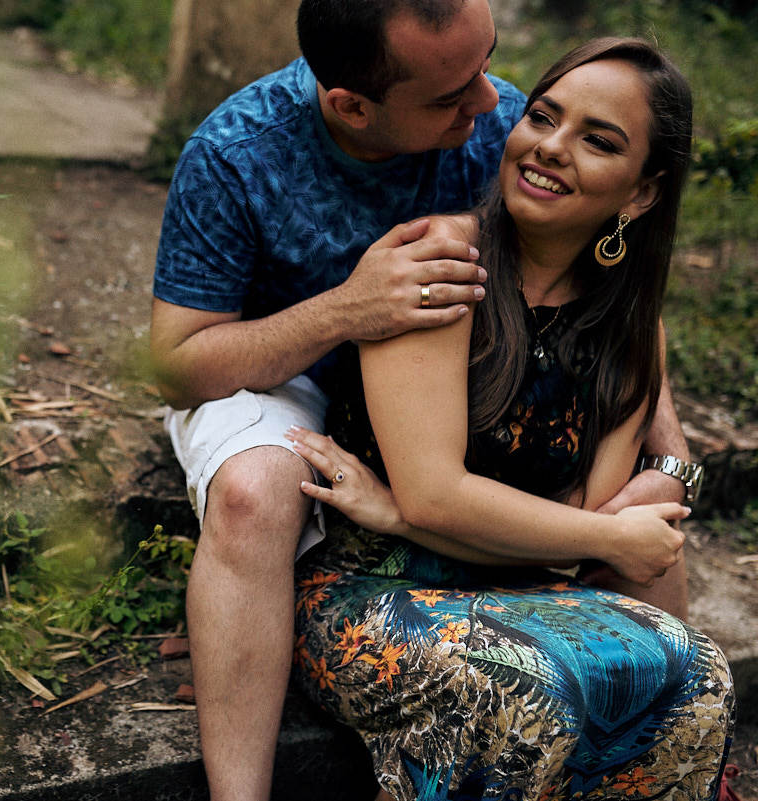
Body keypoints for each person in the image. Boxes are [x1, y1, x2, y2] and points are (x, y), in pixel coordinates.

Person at [150, 1, 701, 798]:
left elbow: (617, 297)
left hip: (455, 372)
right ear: (351, 105)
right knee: (254, 491)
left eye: (488, 65)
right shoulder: (237, 154)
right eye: (452, 95)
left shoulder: (512, 123)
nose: (491, 104)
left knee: (649, 543)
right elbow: (177, 365)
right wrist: (348, 309)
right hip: (282, 364)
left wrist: (674, 462)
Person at [285, 37, 733, 801]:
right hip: (368, 590)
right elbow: (452, 497)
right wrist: (605, 536)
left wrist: (399, 509)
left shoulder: (629, 320)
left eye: (598, 140)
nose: (551, 148)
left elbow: (571, 510)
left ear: (641, 193)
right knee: (528, 693)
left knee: (700, 673)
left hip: (525, 586)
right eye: (543, 117)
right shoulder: (439, 265)